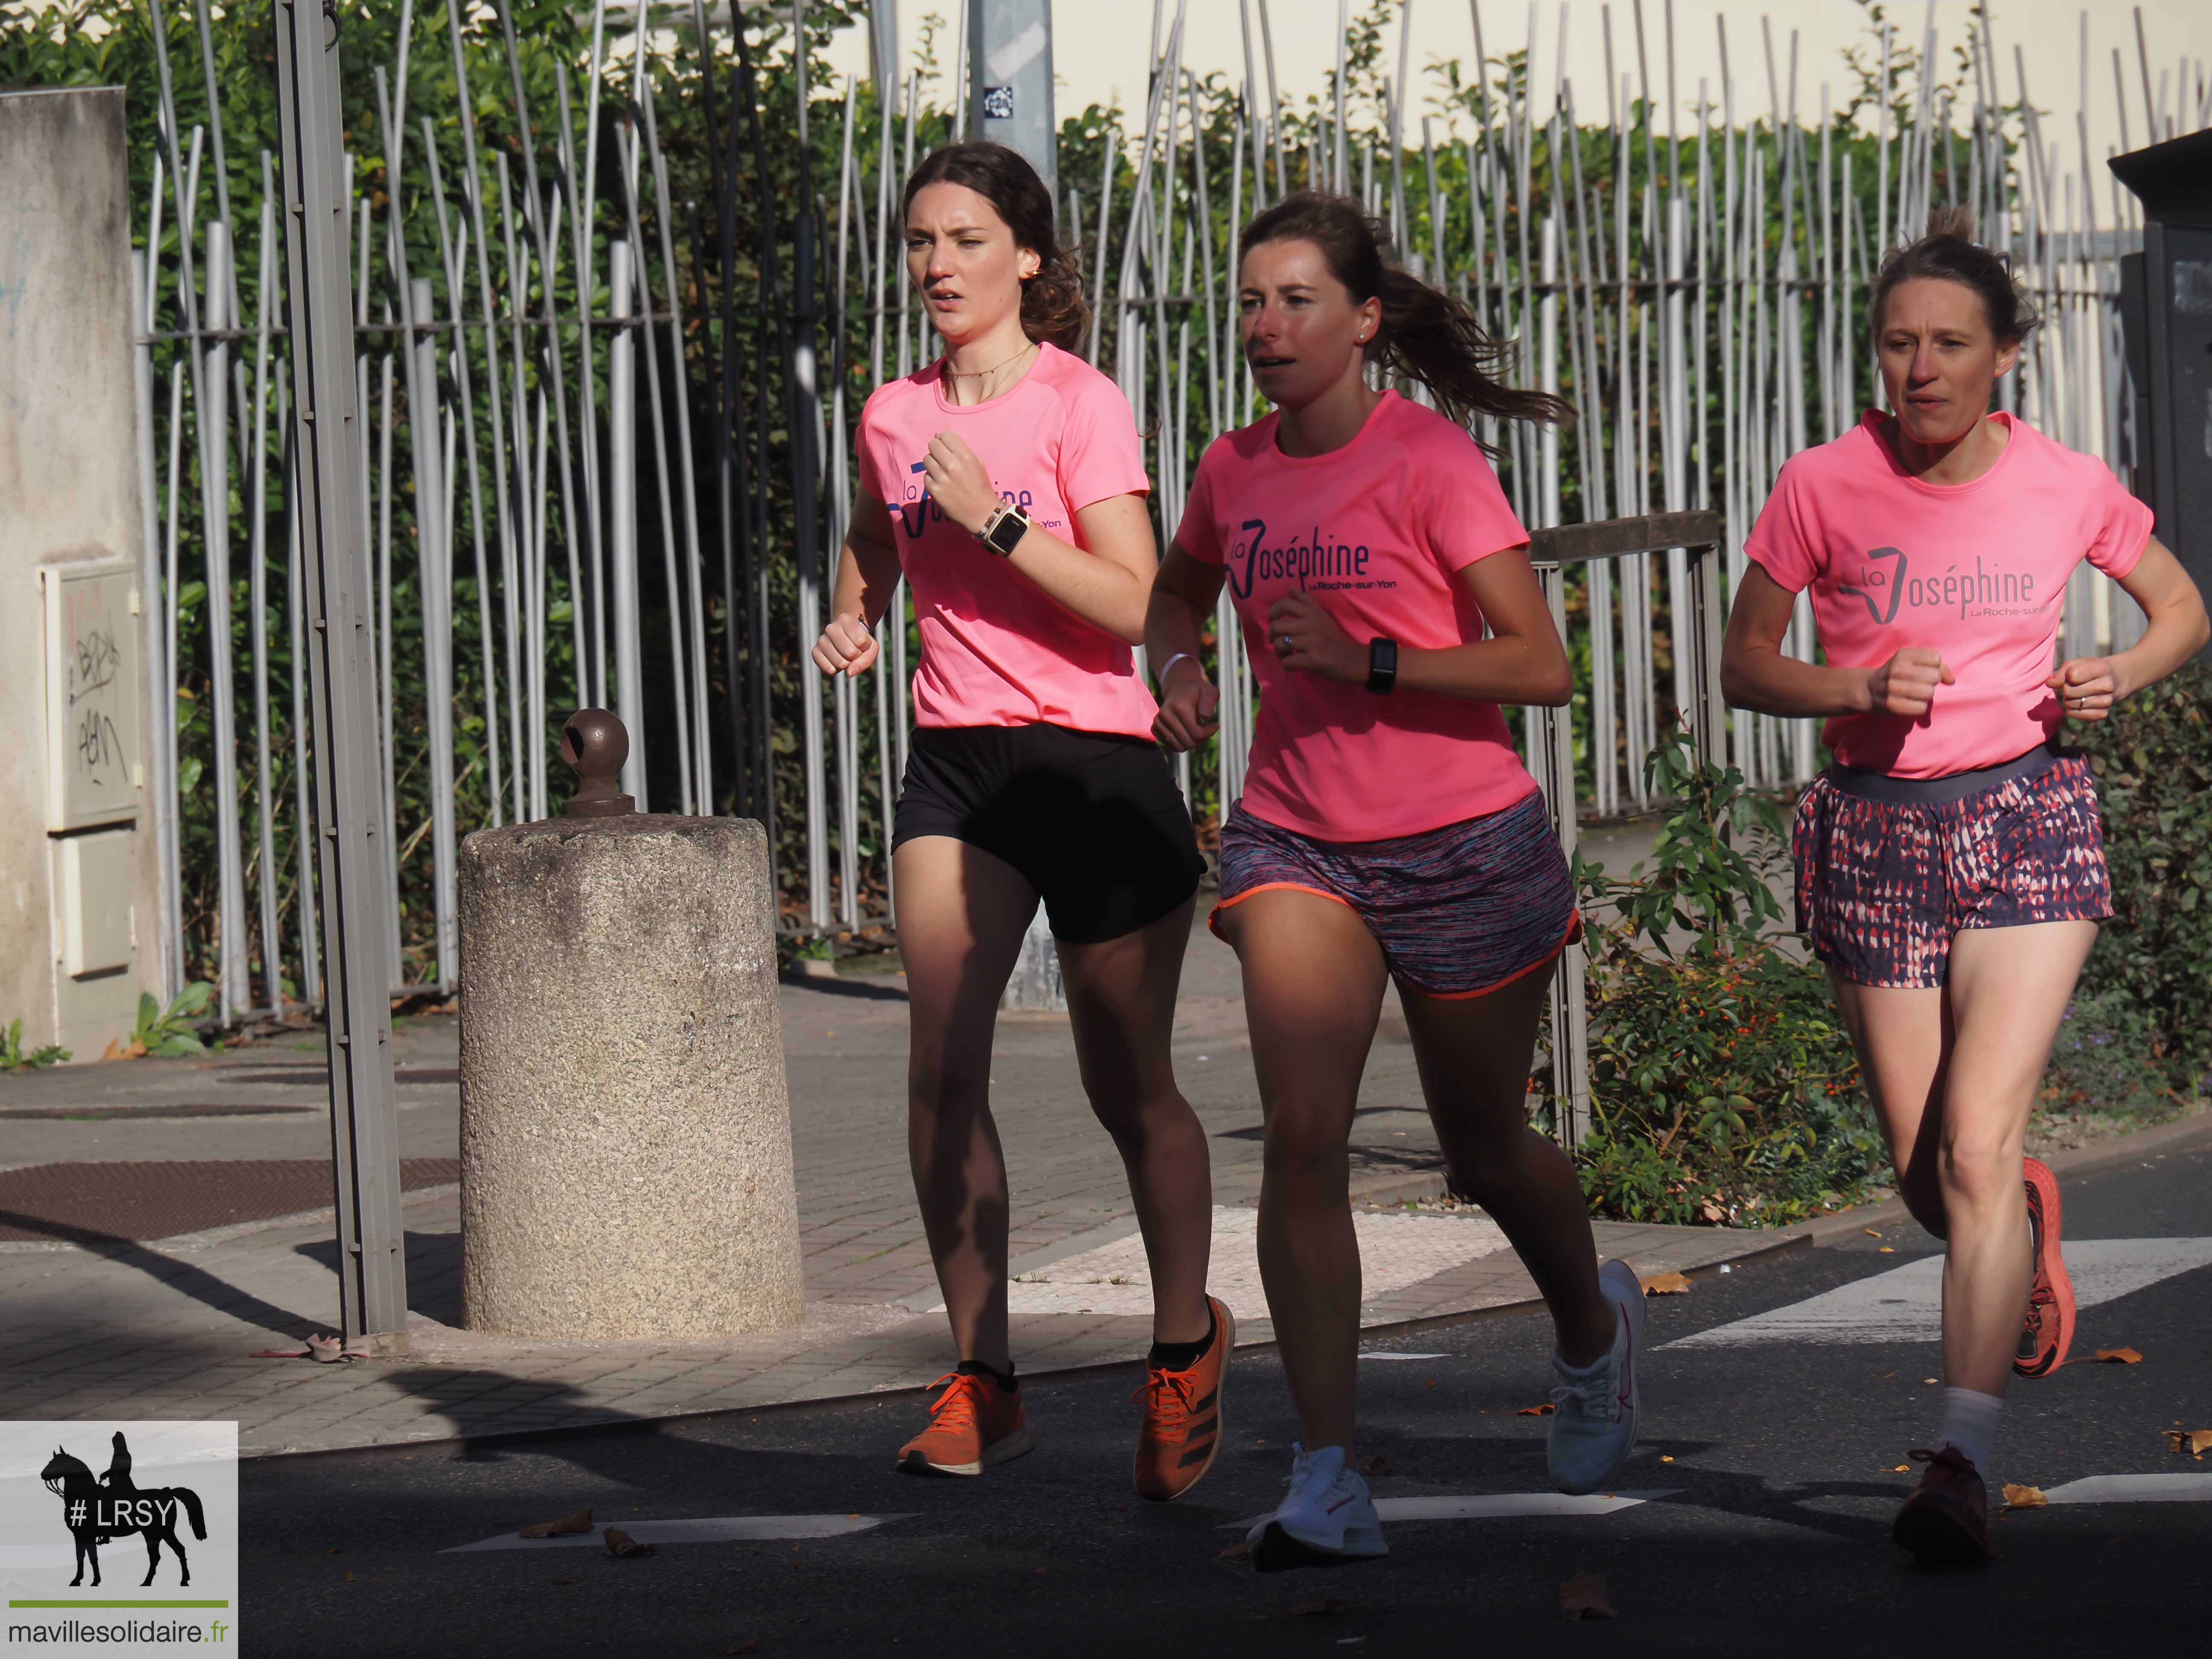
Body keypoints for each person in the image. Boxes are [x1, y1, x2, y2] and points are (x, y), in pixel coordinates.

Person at [1149, 193, 1648, 1573]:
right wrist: (1179, 670)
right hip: (1296, 840)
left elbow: (1540, 664)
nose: (1267, 326)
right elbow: (1175, 594)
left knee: (1482, 1149)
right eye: (1251, 302)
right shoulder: (1234, 467)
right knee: (1302, 1140)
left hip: (1464, 842)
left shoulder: (1427, 460)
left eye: (1297, 299)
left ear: (1364, 320)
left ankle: (1593, 1328)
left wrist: (1374, 658)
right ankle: (1327, 1477)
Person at [1720, 206, 2209, 1566]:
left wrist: (2126, 670)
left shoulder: (2062, 480)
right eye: (1897, 345)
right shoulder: (1821, 484)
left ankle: (1959, 1460)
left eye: (1948, 344)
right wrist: (1855, 685)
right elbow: (1745, 666)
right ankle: (2024, 1221)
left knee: (1978, 1145)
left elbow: (2182, 604)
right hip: (1876, 829)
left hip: (2026, 815)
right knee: (1931, 1174)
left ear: (2004, 357)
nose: (1919, 368)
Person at [811, 142, 1231, 1500]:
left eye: (967, 240)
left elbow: (1140, 605)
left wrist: (995, 526)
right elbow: (881, 528)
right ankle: (984, 1378)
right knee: (941, 1060)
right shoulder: (890, 413)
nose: (938, 265)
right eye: (921, 241)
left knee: (1126, 1083)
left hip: (1096, 770)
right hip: (960, 768)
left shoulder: (1079, 404)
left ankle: (1183, 1345)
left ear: (1028, 259)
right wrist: (856, 608)